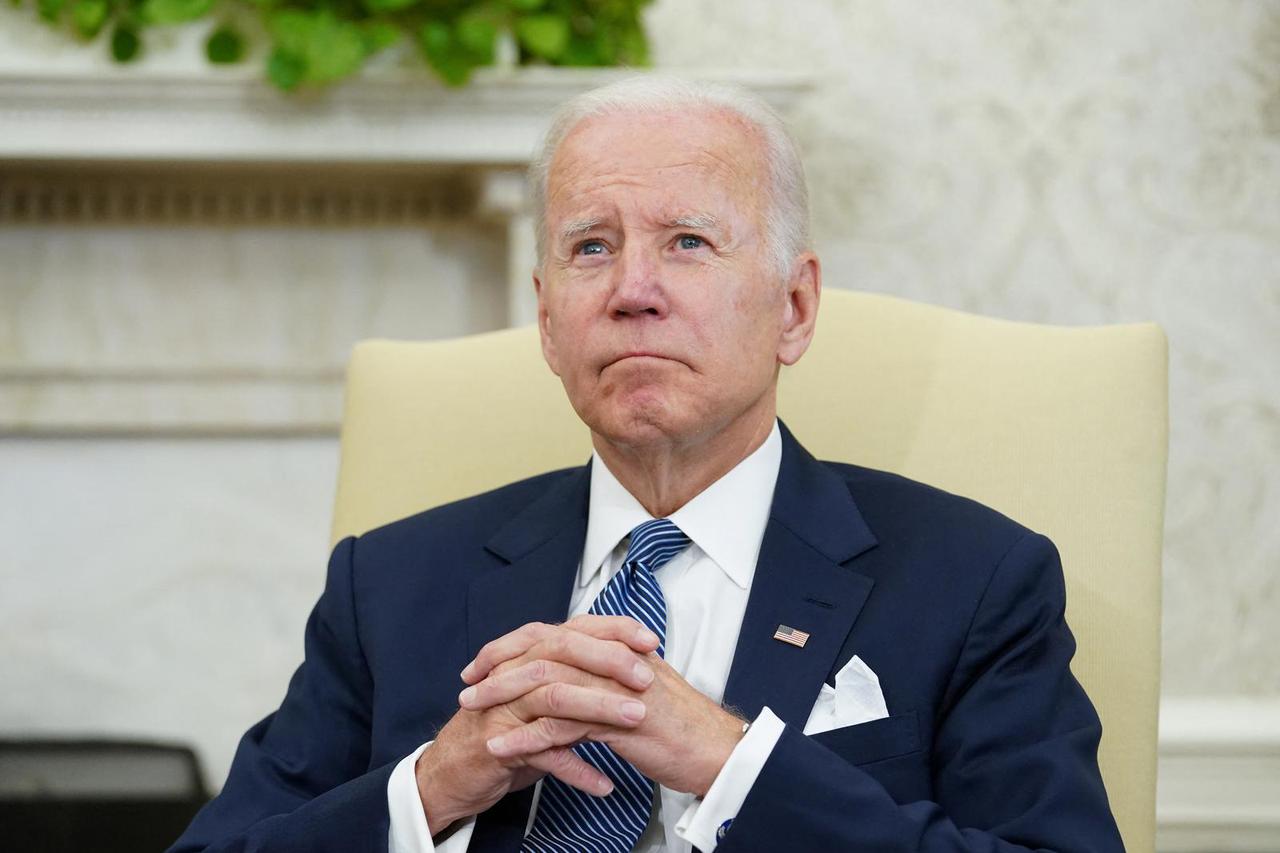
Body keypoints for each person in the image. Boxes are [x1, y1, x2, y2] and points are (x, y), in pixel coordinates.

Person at [169, 76, 1123, 853]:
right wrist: (434, 785)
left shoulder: (975, 578)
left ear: (793, 308)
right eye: (592, 247)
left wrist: (729, 760)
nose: (633, 291)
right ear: (547, 320)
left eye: (688, 243)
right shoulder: (389, 582)